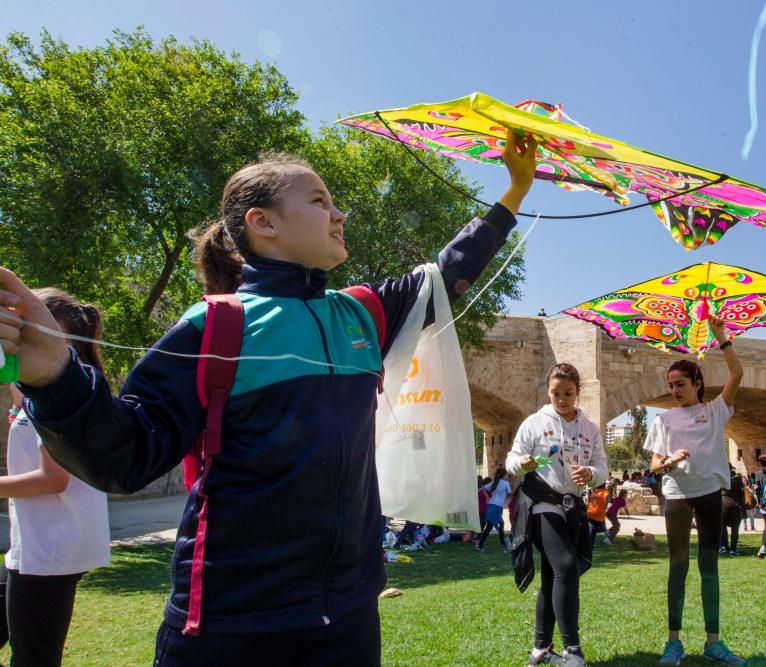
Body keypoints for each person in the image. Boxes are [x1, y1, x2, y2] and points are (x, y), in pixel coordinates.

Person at [0, 132, 539, 666]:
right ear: (264, 223)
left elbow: (449, 272)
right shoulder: (214, 327)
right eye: (319, 200)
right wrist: (54, 377)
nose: (338, 213)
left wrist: (514, 192)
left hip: (350, 619)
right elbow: (124, 456)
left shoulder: (361, 314)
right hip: (230, 627)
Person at [0, 289, 111, 667]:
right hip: (33, 542)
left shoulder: (63, 395)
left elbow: (53, 479)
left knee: (34, 658)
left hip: (52, 548)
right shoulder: (32, 388)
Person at [644, 315, 747, 667]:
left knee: (709, 568)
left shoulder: (715, 411)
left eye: (680, 384)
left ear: (697, 383)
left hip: (709, 496)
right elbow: (654, 467)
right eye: (671, 384)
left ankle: (713, 642)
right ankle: (673, 642)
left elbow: (737, 375)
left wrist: (722, 338)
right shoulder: (663, 420)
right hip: (675, 496)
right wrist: (668, 461)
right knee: (677, 566)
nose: (674, 390)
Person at [507, 362, 607, 667]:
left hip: (571, 509)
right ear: (547, 392)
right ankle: (572, 650)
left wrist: (590, 473)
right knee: (565, 565)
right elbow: (511, 459)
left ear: (578, 392)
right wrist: (522, 464)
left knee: (554, 577)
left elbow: (603, 469)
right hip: (540, 505)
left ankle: (541, 648)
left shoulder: (589, 428)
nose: (561, 399)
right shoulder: (534, 423)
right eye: (555, 393)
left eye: (568, 393)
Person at [477, 468, 512, 552]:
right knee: (492, 525)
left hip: (493, 506)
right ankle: (480, 545)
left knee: (497, 525)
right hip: (495, 507)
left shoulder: (494, 482)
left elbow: (482, 487)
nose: (508, 476)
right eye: (506, 474)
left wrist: (487, 497)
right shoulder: (506, 483)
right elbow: (510, 493)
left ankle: (502, 545)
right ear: (504, 475)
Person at [720, 467, 744, 556]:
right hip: (735, 505)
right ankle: (733, 549)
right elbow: (742, 494)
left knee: (723, 527)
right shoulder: (738, 480)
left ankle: (724, 546)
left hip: (723, 505)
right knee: (735, 529)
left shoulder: (721, 480)